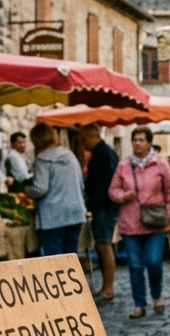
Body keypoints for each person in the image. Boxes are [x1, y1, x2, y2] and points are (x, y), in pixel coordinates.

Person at [110, 126, 170, 318]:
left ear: (149, 143)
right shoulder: (123, 166)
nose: (137, 143)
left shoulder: (161, 165)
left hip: (155, 223)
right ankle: (139, 303)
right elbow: (113, 190)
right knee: (135, 265)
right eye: (135, 140)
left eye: (141, 140)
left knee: (154, 261)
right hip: (130, 223)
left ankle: (156, 296)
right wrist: (124, 196)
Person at [26, 124, 86, 258]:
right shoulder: (70, 155)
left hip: (53, 217)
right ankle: (71, 280)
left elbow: (40, 189)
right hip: (75, 212)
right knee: (71, 258)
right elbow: (81, 184)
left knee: (55, 261)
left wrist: (28, 191)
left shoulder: (43, 159)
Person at [78, 127, 120, 301]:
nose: (82, 144)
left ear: (91, 136)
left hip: (104, 207)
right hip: (102, 206)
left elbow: (109, 182)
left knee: (104, 244)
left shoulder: (104, 154)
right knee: (102, 244)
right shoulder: (101, 152)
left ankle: (108, 287)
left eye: (83, 139)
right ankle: (106, 286)